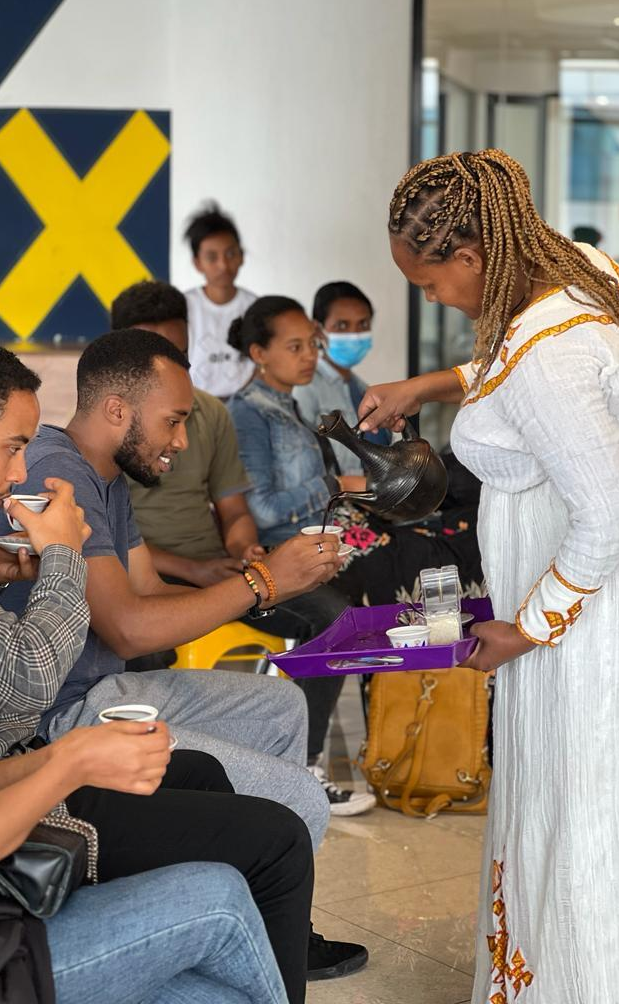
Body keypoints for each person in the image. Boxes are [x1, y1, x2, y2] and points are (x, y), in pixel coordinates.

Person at [0, 334, 358, 993]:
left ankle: (259, 942)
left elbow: (130, 598)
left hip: (12, 760)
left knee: (210, 774)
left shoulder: (69, 491)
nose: (18, 471)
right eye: (12, 445)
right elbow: (38, 680)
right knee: (276, 834)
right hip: (6, 799)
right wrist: (62, 556)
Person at [357, 148, 619, 1004]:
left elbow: (608, 517)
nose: (430, 298)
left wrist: (529, 628)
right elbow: (526, 363)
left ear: (470, 256)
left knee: (586, 812)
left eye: (426, 284)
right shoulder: (582, 270)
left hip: (583, 617)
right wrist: (436, 381)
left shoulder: (546, 363)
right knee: (617, 801)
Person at [110, 279, 375, 817]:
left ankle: (304, 765)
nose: (166, 366)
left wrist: (247, 549)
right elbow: (115, 541)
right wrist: (198, 569)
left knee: (333, 616)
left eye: (176, 352)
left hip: (217, 565)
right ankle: (157, 783)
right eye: (150, 353)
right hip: (149, 571)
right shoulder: (113, 422)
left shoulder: (210, 413)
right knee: (143, 649)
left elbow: (233, 509)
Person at [226, 297, 484, 608]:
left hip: (338, 527)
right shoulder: (248, 413)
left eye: (312, 344)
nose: (310, 356)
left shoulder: (287, 406)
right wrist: (338, 485)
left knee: (464, 526)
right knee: (443, 553)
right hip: (303, 547)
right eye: (296, 347)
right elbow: (263, 510)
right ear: (259, 353)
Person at [293, 280, 391, 476]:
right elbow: (300, 464)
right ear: (319, 330)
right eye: (342, 326)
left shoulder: (363, 389)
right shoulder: (305, 388)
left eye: (363, 324)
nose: (354, 335)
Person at [183, 202, 257, 398]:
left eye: (231, 253)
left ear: (242, 256)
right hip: (194, 405)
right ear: (197, 263)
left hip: (245, 404)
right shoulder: (182, 307)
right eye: (212, 257)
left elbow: (264, 363)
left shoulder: (255, 308)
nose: (223, 265)